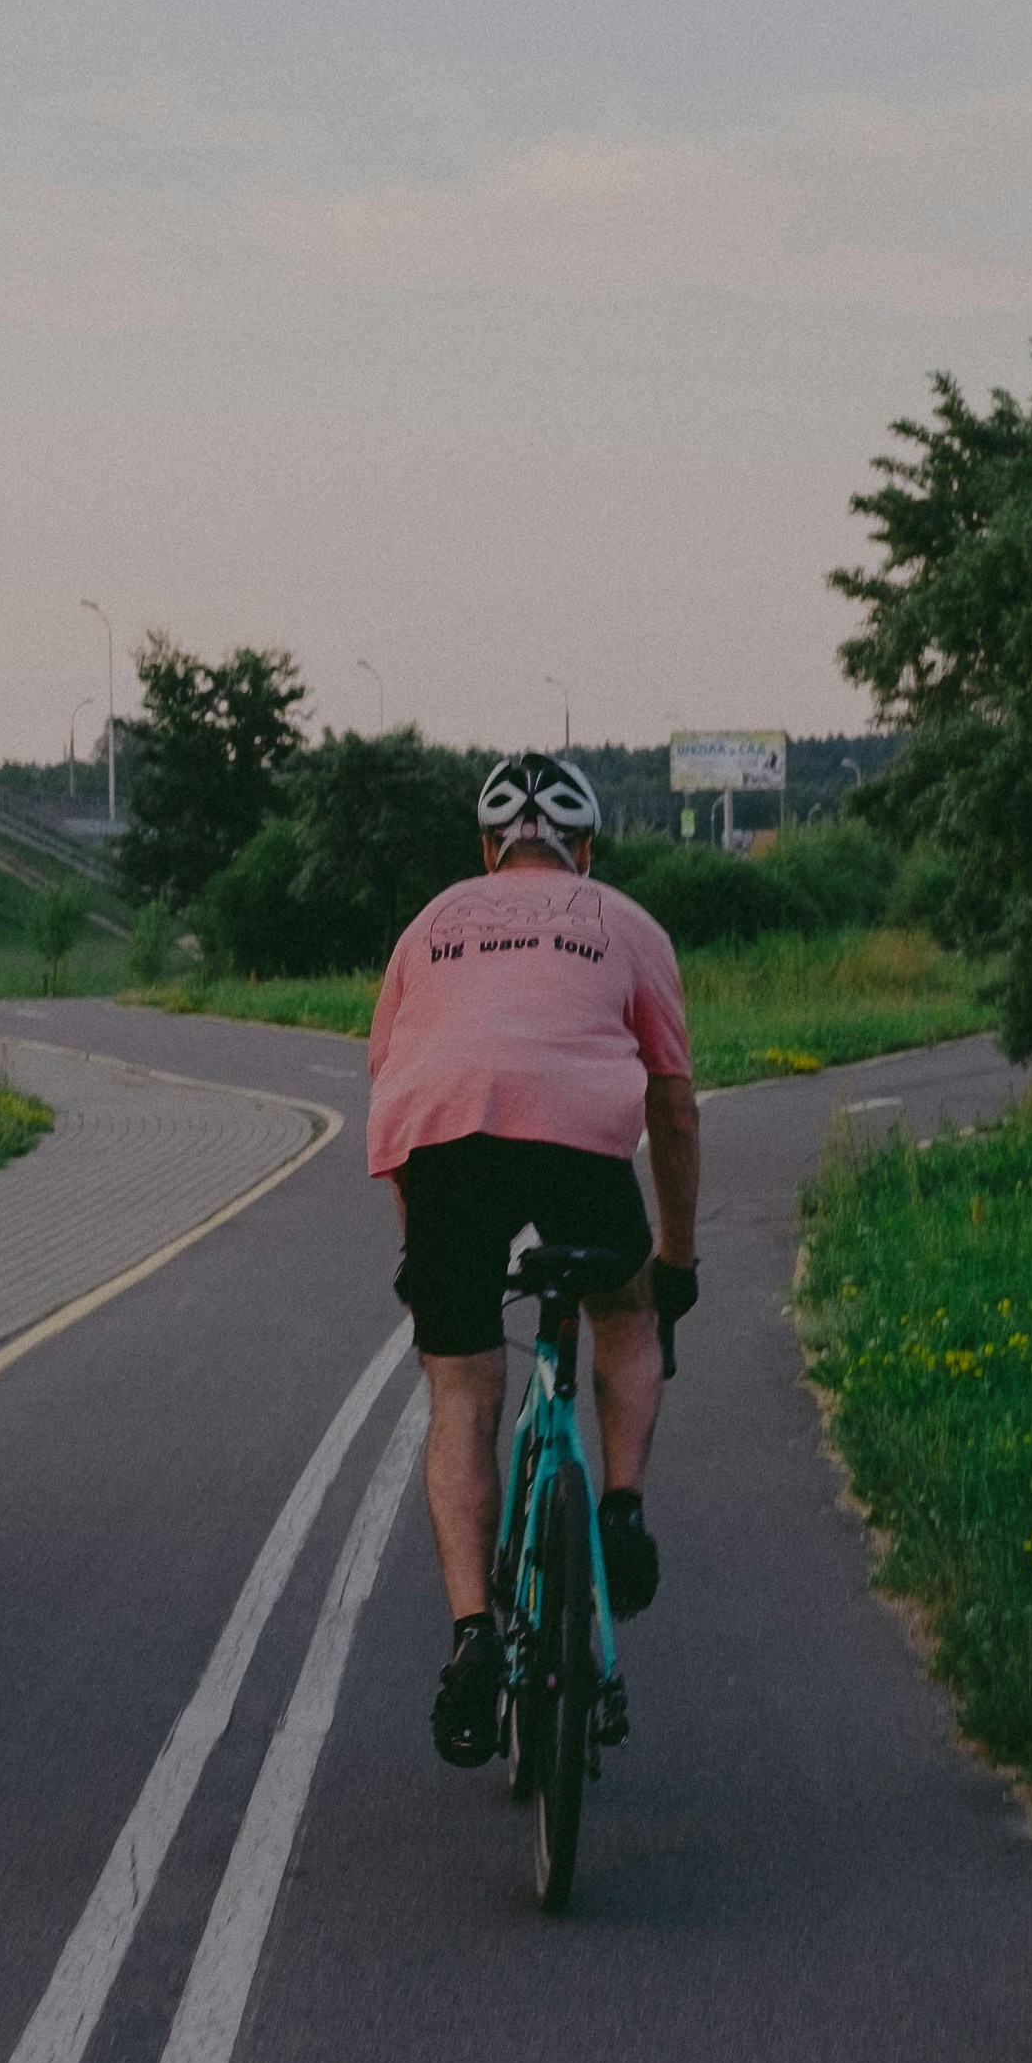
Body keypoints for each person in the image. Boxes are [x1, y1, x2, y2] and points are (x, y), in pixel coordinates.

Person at [366, 749, 701, 1769]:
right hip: (576, 1151)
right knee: (627, 1307)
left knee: (463, 1394)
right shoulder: (627, 925)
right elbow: (673, 1108)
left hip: (446, 1154)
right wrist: (676, 1260)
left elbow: (390, 1082)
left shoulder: (428, 928)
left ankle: (474, 1638)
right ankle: (622, 1506)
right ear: (584, 850)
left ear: (487, 849)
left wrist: (418, 1246)